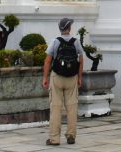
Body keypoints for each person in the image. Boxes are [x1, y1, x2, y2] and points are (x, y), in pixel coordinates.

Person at [43, 17, 83, 146]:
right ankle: (71, 135)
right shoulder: (76, 42)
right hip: (72, 77)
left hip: (57, 78)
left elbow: (48, 61)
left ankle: (54, 139)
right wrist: (80, 77)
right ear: (69, 28)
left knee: (56, 108)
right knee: (72, 108)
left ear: (60, 28)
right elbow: (81, 60)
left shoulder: (55, 41)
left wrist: (45, 77)